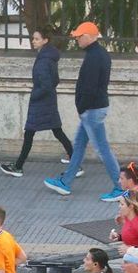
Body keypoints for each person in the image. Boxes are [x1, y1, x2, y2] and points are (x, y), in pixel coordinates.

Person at [43, 22, 126, 202]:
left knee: (102, 149)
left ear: (89, 37)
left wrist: (82, 108)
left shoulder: (94, 57)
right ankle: (65, 181)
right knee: (79, 145)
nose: (77, 39)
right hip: (93, 108)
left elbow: (89, 87)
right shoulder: (100, 54)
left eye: (80, 36)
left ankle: (121, 187)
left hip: (91, 110)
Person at [2, 27, 74, 177]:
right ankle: (75, 163)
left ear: (45, 40)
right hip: (48, 101)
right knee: (56, 131)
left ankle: (18, 166)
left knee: (31, 132)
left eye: (37, 39)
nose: (33, 41)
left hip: (40, 102)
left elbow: (46, 84)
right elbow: (55, 80)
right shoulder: (49, 57)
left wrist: (35, 95)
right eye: (33, 38)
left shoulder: (43, 61)